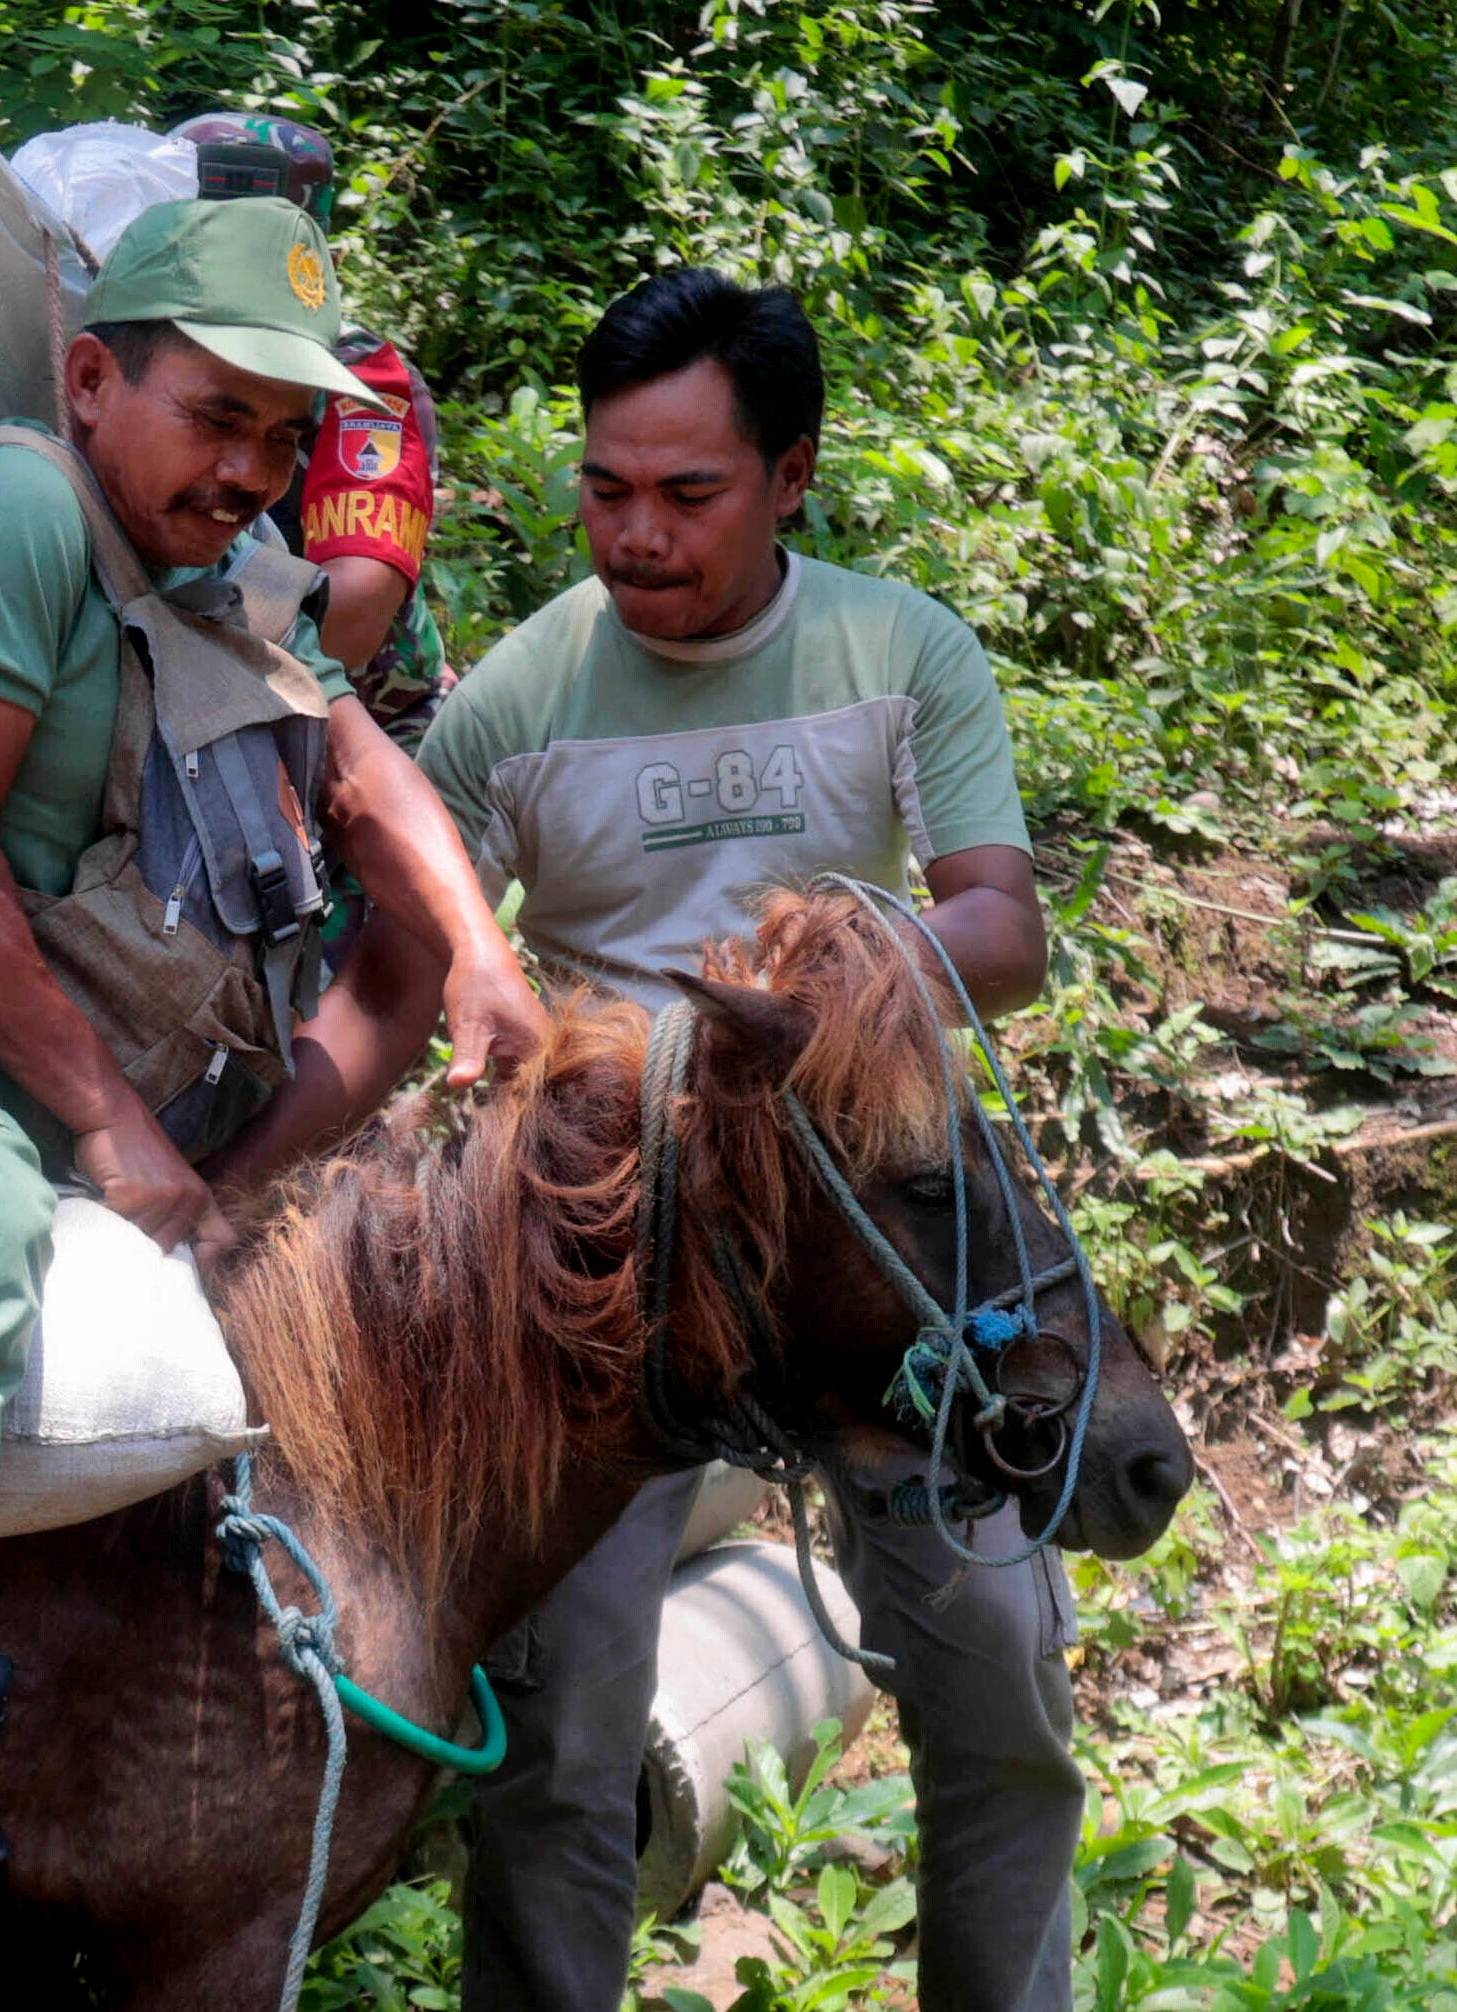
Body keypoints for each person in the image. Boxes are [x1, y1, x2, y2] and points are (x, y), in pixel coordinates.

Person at [0, 195, 546, 1972]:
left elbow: (361, 773)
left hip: (35, 1080)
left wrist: (480, 960)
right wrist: (112, 1127)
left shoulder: (220, 584)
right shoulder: (14, 506)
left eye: (281, 440)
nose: (247, 469)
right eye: (212, 417)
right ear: (87, 377)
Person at [416, 267, 1064, 2012]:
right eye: (604, 487)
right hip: (608, 1270)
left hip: (871, 1248)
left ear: (787, 476)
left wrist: (826, 991)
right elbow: (404, 948)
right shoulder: (519, 698)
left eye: (685, 493)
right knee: (550, 1739)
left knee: (994, 1682)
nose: (635, 534)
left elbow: (999, 930)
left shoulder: (892, 650)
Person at [170, 111, 452, 746]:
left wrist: (162, 648)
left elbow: (352, 618)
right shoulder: (145, 354)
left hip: (369, 727)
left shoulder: (360, 381)